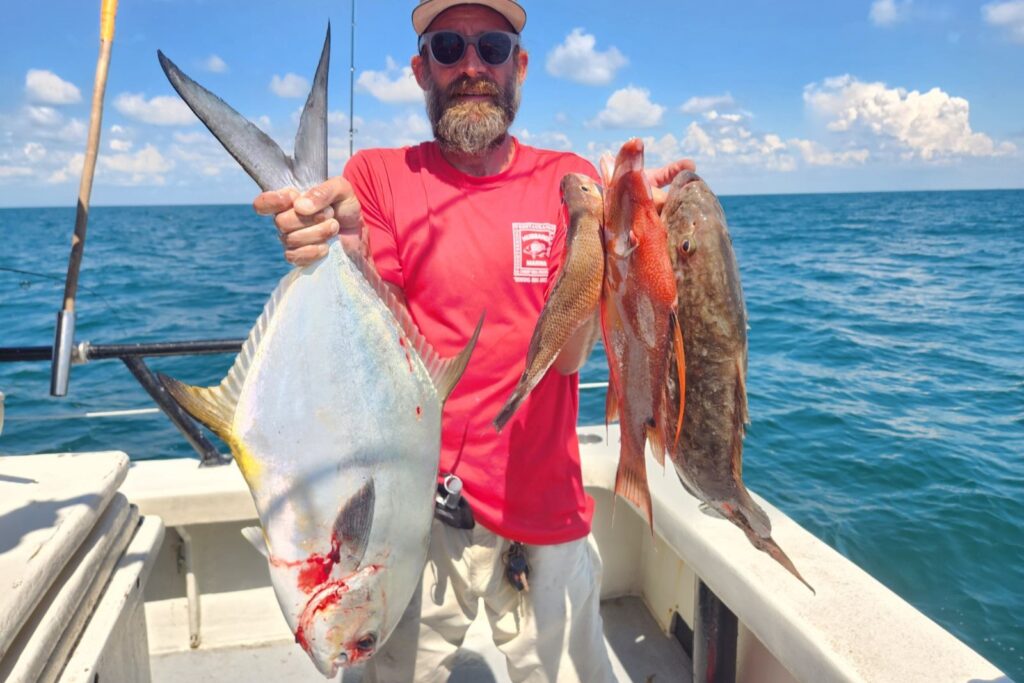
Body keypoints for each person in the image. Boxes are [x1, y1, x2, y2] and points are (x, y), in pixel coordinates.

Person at [253, 1, 693, 680]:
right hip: (417, 515)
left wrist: (617, 242)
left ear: (518, 64)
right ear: (420, 67)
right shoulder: (378, 175)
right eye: (448, 46)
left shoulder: (567, 179)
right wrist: (336, 245)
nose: (471, 66)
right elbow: (380, 336)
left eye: (491, 47)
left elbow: (571, 357)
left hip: (547, 509)